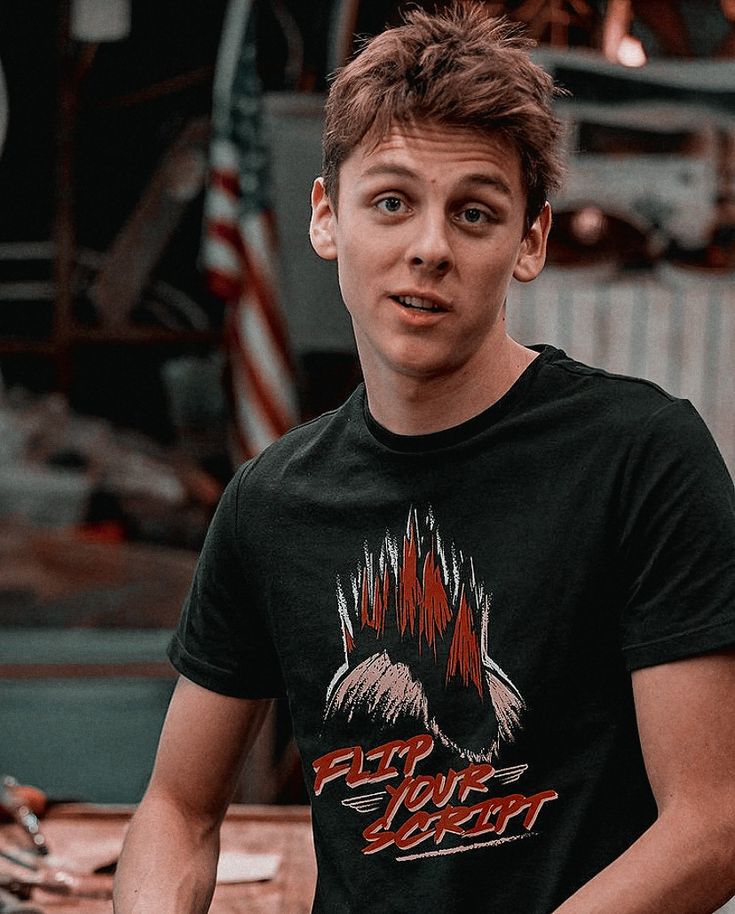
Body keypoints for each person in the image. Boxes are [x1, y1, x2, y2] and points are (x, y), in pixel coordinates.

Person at [113, 4, 735, 912]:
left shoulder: (641, 459)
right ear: (328, 217)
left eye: (474, 213)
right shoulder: (271, 503)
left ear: (529, 243)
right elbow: (176, 807)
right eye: (392, 201)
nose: (429, 249)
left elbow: (710, 823)